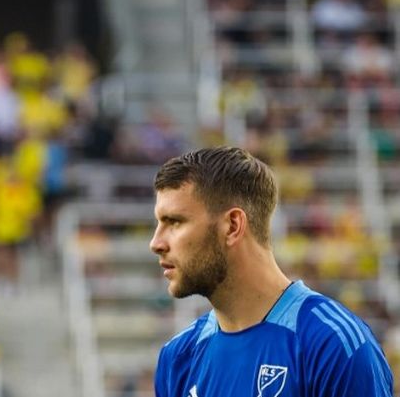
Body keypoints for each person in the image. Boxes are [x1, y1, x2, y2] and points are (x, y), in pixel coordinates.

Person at [149, 146, 393, 397]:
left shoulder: (333, 345)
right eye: (159, 223)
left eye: (175, 222)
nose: (156, 243)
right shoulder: (178, 359)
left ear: (232, 226)